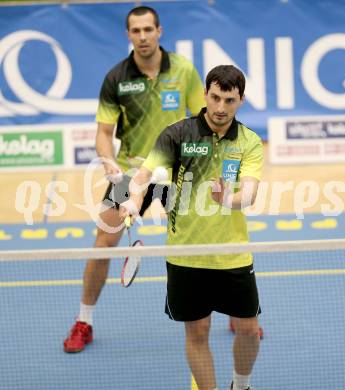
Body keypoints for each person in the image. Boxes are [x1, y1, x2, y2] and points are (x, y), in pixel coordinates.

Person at [63, 5, 205, 353]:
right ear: (128, 35)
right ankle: (84, 320)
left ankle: (235, 311)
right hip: (130, 170)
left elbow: (203, 118)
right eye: (135, 31)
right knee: (103, 243)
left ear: (159, 31)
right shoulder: (117, 78)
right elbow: (103, 131)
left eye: (147, 29)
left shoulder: (183, 69)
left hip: (174, 169)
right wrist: (108, 161)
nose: (142, 36)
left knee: (209, 242)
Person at [119, 65, 263, 390]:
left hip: (232, 255)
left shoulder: (250, 142)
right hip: (186, 255)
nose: (221, 107)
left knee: (250, 330)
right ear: (205, 95)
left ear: (241, 100)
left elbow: (250, 194)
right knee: (197, 332)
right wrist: (131, 199)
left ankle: (240, 385)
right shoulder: (178, 134)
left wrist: (229, 198)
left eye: (229, 100)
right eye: (215, 98)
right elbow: (143, 175)